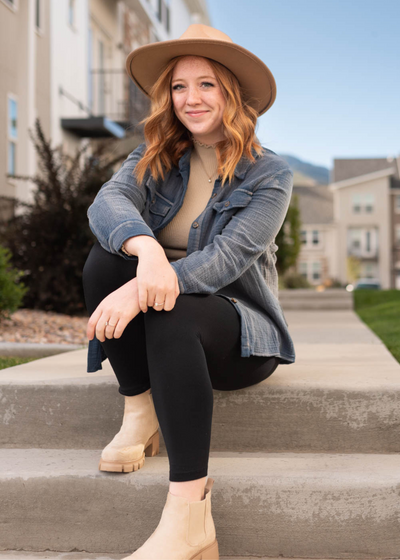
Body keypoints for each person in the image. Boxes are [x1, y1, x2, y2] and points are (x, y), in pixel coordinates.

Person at [82, 23, 296, 560]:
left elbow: (226, 260)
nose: (191, 98)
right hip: (161, 314)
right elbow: (106, 204)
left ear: (232, 94)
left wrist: (141, 292)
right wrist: (148, 254)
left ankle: (188, 516)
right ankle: (140, 408)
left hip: (233, 331)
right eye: (179, 86)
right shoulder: (154, 155)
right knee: (106, 259)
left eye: (207, 84)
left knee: (172, 309)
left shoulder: (269, 174)